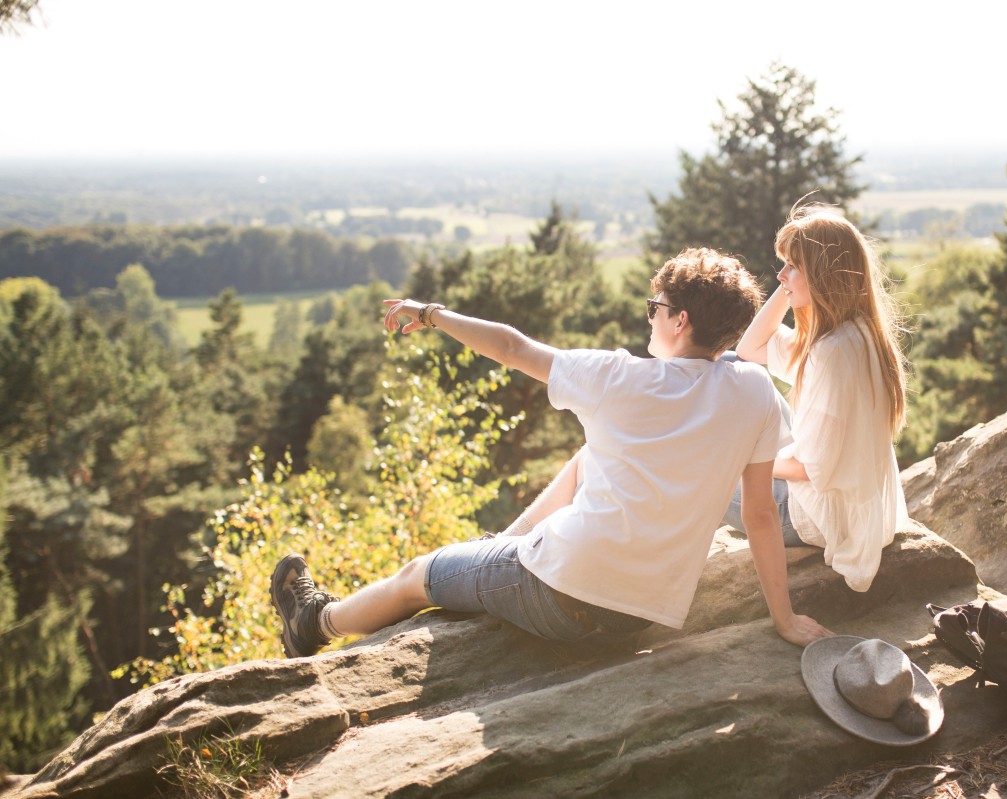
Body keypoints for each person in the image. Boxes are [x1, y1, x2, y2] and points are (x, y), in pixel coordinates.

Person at [269, 248, 835, 659]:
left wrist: (431, 314)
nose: (650, 315)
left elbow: (513, 347)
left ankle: (313, 622)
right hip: (639, 616)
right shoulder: (754, 392)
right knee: (589, 457)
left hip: (559, 592)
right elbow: (760, 514)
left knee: (419, 573)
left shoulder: (617, 376)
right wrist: (782, 620)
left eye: (654, 305)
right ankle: (498, 548)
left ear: (679, 319)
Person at [721, 203, 908, 592]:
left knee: (700, 467)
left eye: (791, 267)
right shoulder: (854, 332)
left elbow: (810, 468)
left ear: (823, 275)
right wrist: (791, 288)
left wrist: (736, 458)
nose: (780, 275)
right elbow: (748, 350)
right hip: (851, 501)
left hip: (818, 515)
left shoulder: (831, 353)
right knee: (727, 365)